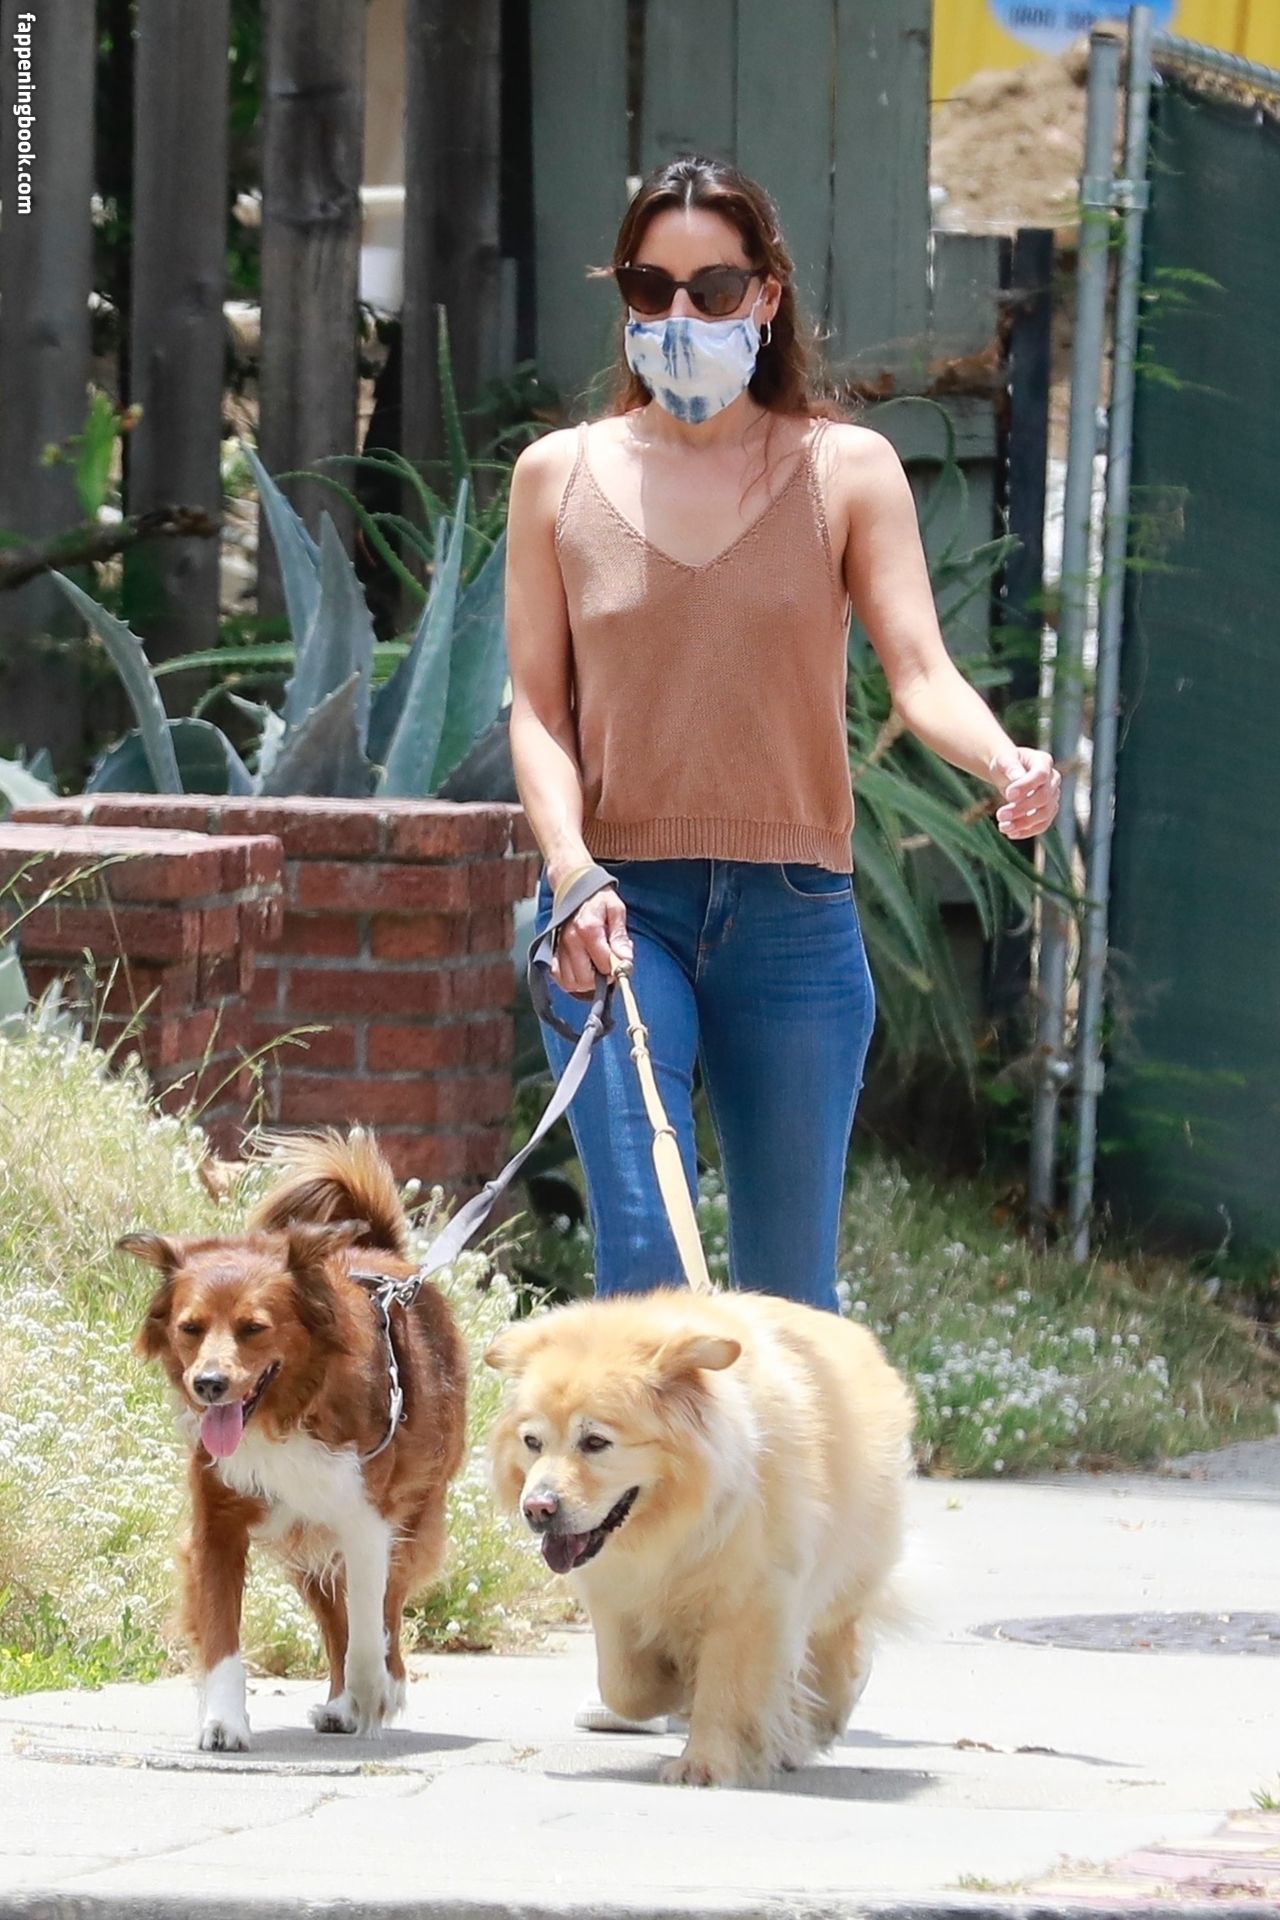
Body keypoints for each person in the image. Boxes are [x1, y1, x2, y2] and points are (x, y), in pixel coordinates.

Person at [505, 154, 1061, 1320]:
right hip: (615, 914)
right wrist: (567, 871)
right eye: (649, 288)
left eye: (711, 289)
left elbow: (921, 674)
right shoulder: (556, 477)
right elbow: (537, 709)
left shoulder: (843, 470)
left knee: (789, 1307)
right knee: (645, 1280)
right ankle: (639, 1458)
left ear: (764, 295)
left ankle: (780, 1457)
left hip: (792, 918)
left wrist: (1002, 759)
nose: (678, 316)